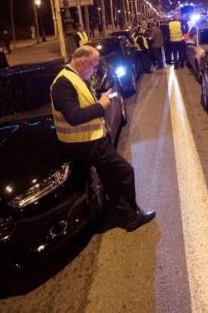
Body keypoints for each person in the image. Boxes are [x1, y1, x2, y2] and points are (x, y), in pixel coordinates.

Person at [50, 46, 155, 232]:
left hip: (93, 140)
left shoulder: (76, 77)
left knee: (110, 177)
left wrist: (98, 98)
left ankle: (128, 215)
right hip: (87, 144)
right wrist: (101, 105)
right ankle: (133, 213)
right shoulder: (63, 83)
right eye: (94, 65)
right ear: (82, 62)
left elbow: (81, 104)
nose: (95, 69)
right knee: (125, 172)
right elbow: (74, 117)